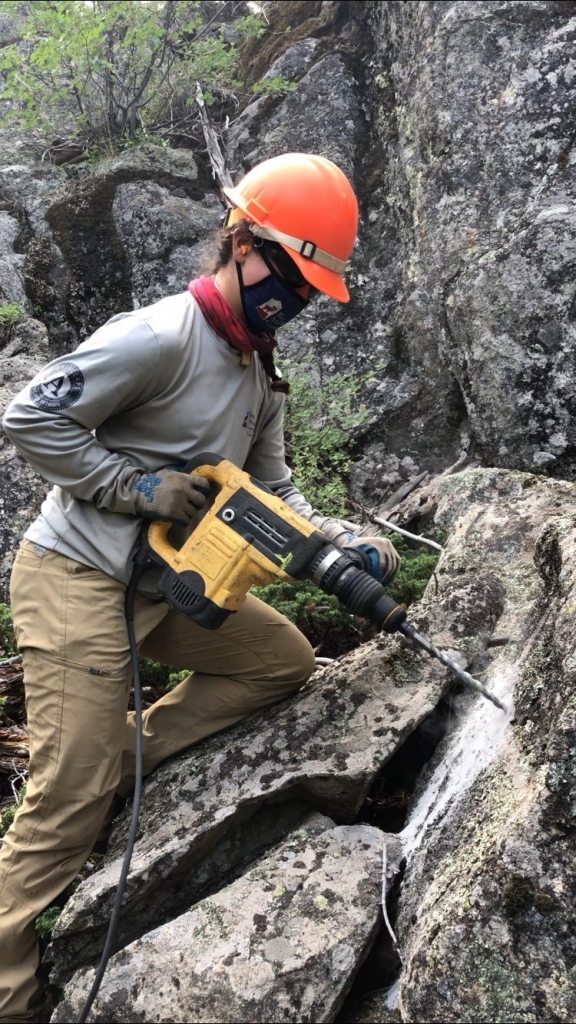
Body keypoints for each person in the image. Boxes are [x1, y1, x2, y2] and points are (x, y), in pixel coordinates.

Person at [0, 152, 400, 1023]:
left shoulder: (260, 374)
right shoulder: (158, 336)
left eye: (307, 290)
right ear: (243, 242)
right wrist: (133, 487)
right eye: (288, 277)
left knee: (279, 661)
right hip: (76, 576)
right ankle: (11, 989)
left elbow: (276, 488)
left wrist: (339, 541)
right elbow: (29, 413)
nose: (291, 300)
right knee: (63, 803)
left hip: (160, 585)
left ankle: (115, 761)